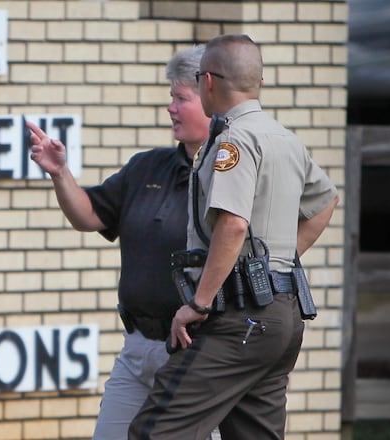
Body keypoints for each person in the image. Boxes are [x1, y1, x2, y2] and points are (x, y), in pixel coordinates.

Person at [128, 34, 340, 439]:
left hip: (237, 318)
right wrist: (278, 261)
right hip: (282, 315)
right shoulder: (284, 138)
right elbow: (326, 200)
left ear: (208, 81)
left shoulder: (232, 141)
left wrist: (199, 302)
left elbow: (233, 223)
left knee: (155, 430)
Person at [27, 46, 211, 439]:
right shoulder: (147, 166)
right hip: (137, 348)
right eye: (171, 98)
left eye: (181, 99)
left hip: (195, 355)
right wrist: (60, 173)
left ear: (211, 101)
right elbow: (88, 216)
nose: (171, 108)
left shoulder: (231, 174)